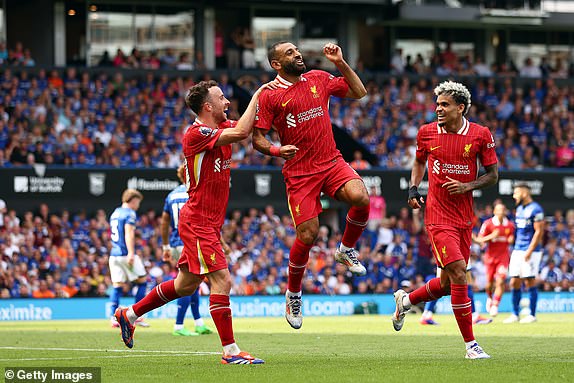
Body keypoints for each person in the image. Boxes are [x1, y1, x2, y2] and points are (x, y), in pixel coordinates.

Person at [115, 80, 270, 365]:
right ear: (207, 106)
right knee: (222, 279)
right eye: (222, 98)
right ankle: (231, 351)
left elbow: (250, 125)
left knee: (186, 285)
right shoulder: (195, 134)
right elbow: (243, 130)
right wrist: (259, 92)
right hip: (198, 220)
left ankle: (130, 314)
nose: (227, 102)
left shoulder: (221, 127)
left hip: (207, 221)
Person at [252, 41, 369, 330]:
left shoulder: (318, 78)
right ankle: (293, 293)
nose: (297, 54)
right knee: (309, 234)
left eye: (297, 50)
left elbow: (359, 92)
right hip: (300, 172)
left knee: (360, 196)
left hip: (331, 161)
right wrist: (277, 152)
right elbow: (258, 138)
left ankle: (346, 249)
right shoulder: (269, 95)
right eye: (289, 53)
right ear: (277, 64)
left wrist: (340, 62)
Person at [392, 80, 498, 359]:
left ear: (460, 108)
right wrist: (414, 188)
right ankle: (471, 345)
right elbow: (418, 162)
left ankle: (406, 300)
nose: (438, 109)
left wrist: (468, 186)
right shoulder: (426, 133)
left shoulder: (480, 134)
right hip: (438, 216)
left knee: (449, 284)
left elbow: (493, 175)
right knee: (461, 272)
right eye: (437, 104)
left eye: (445, 104)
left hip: (464, 217)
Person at [161, 165, 213, 337]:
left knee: (194, 282)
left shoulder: (171, 195)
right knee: (187, 284)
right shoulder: (195, 193)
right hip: (190, 242)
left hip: (175, 243)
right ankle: (178, 325)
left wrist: (166, 246)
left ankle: (198, 323)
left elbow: (164, 222)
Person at [503, 184, 544, 324]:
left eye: (516, 193)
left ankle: (532, 315)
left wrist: (530, 250)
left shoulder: (536, 209)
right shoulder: (519, 209)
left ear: (524, 193)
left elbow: (539, 232)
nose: (514, 196)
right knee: (514, 280)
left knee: (529, 280)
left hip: (531, 250)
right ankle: (515, 314)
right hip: (517, 249)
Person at [108, 189, 149, 328]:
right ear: (132, 200)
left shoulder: (115, 212)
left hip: (114, 255)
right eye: (138, 202)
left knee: (117, 286)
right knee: (142, 282)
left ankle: (113, 318)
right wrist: (131, 252)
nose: (138, 205)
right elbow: (129, 233)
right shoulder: (129, 213)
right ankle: (136, 315)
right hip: (125, 253)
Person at [474, 203, 515, 317]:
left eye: (503, 210)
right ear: (495, 212)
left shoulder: (510, 225)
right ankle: (489, 297)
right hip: (490, 257)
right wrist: (492, 236)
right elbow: (480, 240)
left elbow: (511, 237)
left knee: (501, 280)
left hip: (503, 257)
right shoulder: (488, 224)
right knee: (489, 284)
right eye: (499, 210)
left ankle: (495, 305)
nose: (501, 212)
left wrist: (511, 239)